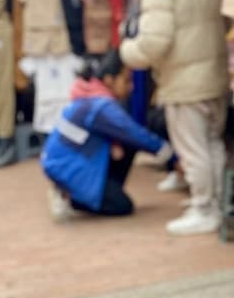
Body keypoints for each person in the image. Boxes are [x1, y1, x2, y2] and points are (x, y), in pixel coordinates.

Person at [120, 0, 229, 236]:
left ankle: (204, 208)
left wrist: (127, 49)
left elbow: (153, 42)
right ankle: (218, 204)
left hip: (184, 81)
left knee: (193, 150)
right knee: (213, 144)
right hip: (214, 76)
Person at [42, 51, 174, 220]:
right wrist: (171, 156)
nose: (131, 87)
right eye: (126, 80)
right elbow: (134, 133)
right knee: (122, 206)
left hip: (63, 164)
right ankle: (71, 196)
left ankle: (89, 190)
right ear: (109, 80)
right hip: (69, 169)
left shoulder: (88, 94)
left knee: (128, 144)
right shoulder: (101, 107)